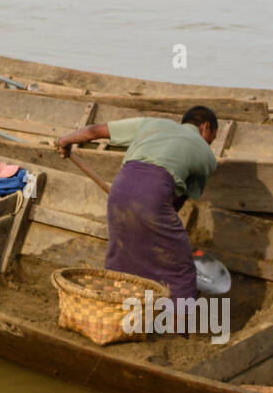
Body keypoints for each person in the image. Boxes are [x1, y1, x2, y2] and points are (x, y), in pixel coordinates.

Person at [55, 107, 220, 322]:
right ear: (206, 127)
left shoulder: (152, 124)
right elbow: (176, 201)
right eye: (212, 138)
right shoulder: (206, 155)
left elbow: (94, 131)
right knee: (181, 269)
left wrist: (65, 141)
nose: (209, 144)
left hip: (120, 190)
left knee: (121, 257)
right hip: (153, 194)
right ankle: (178, 332)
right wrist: (152, 221)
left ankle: (111, 316)